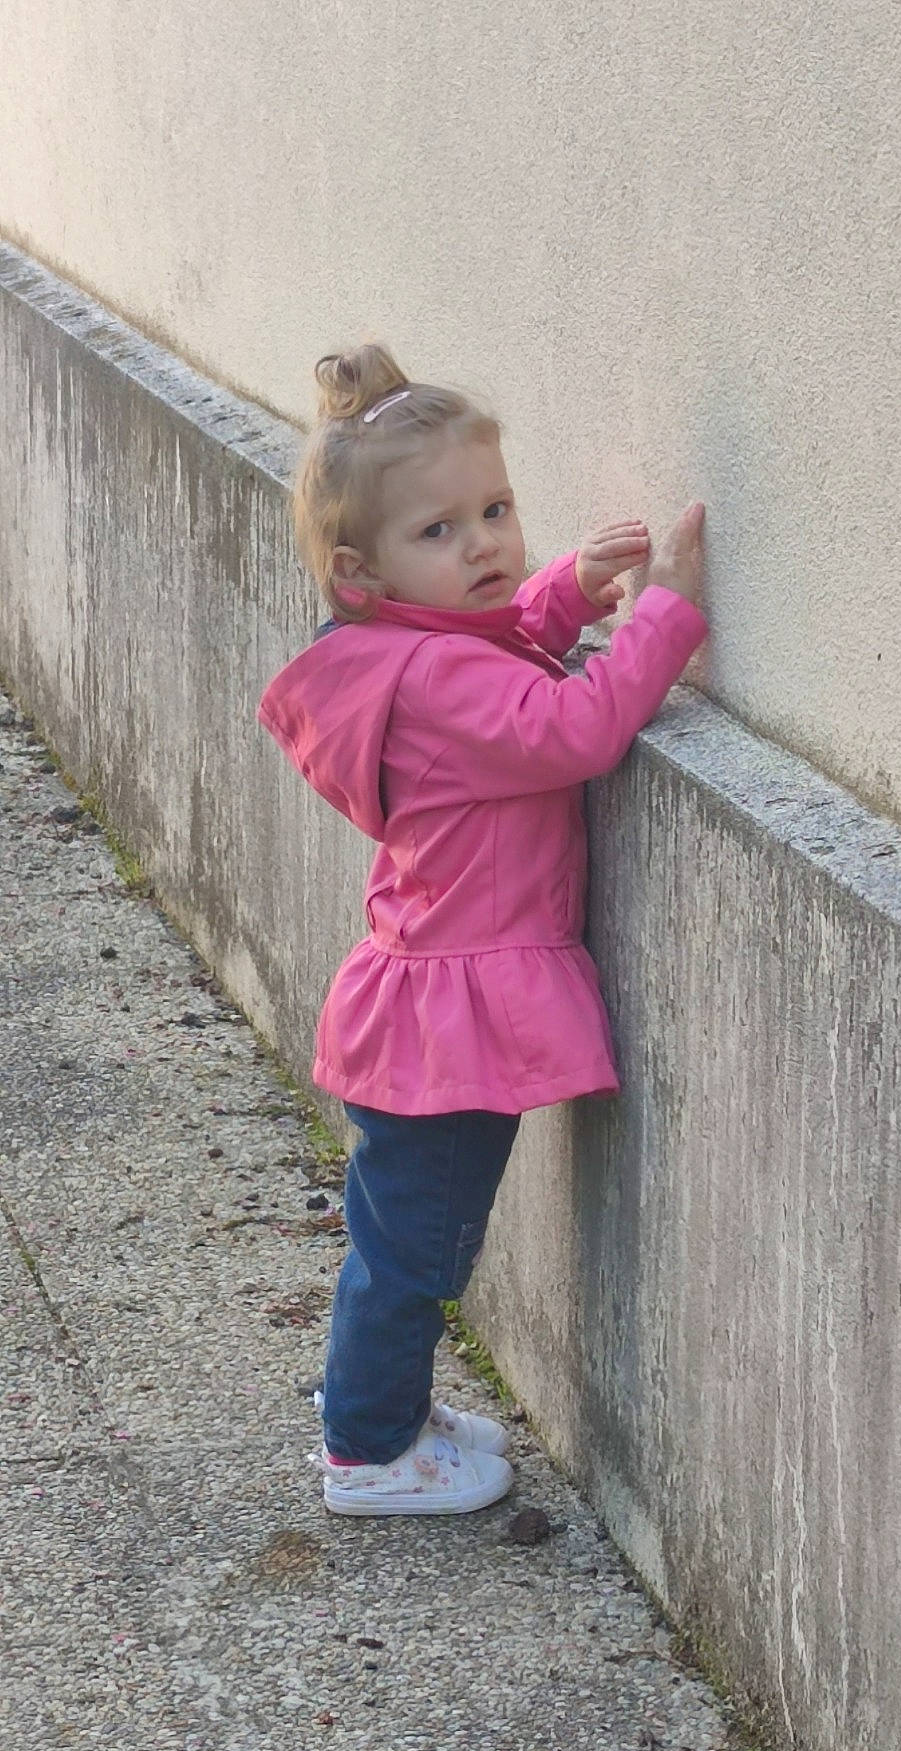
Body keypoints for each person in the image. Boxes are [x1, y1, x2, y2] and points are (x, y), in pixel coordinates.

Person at [257, 344, 707, 1518]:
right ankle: (369, 1450)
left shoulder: (395, 656)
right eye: (443, 532)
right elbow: (567, 728)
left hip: (428, 1006)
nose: (488, 545)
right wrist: (663, 616)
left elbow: (490, 647)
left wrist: (561, 590)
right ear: (360, 573)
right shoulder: (433, 682)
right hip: (450, 1033)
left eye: (495, 510)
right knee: (419, 1248)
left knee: (398, 1232)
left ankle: (377, 1404)